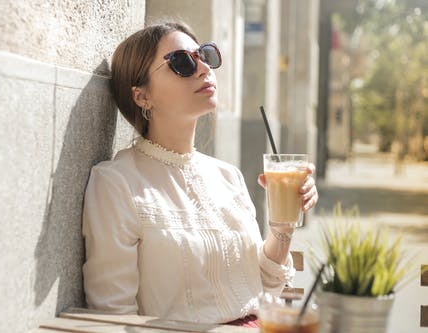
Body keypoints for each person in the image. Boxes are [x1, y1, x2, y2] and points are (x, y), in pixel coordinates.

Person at [82, 21, 319, 327]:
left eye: (205, 55)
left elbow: (266, 287)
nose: (204, 69)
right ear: (141, 96)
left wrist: (282, 226)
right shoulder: (117, 183)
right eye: (181, 63)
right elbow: (113, 316)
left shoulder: (228, 176)